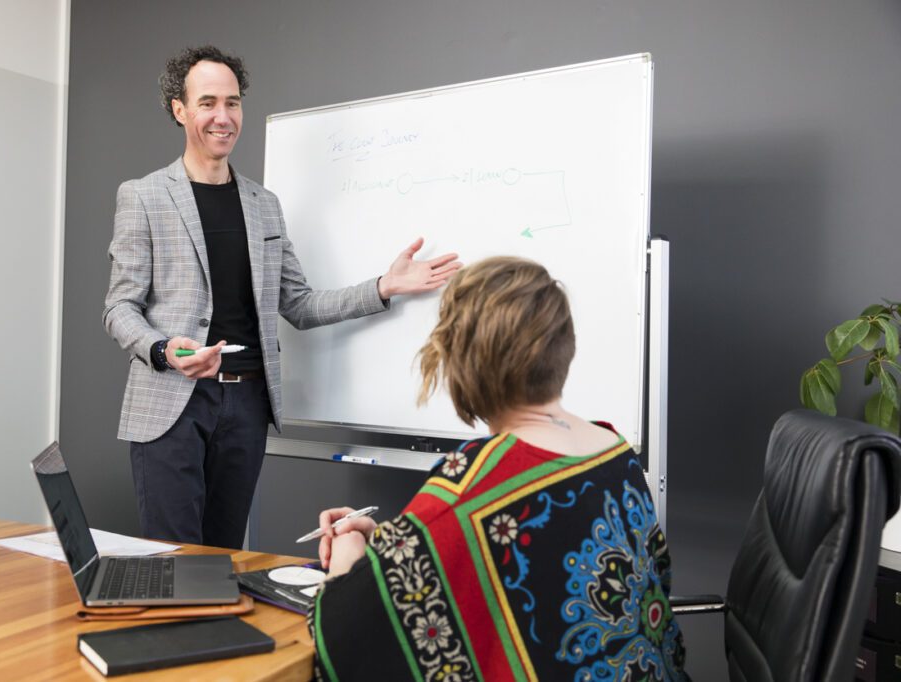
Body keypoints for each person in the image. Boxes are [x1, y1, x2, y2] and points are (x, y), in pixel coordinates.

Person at [103, 45, 460, 549]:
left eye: (233, 103)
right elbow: (119, 307)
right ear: (179, 110)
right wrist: (164, 350)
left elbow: (300, 304)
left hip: (246, 404)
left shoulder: (263, 205)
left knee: (224, 558)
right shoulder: (143, 195)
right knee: (176, 561)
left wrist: (385, 286)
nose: (223, 117)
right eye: (207, 103)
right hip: (170, 405)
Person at [310, 257, 687, 681]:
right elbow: (539, 560)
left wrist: (349, 553)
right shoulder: (613, 450)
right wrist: (395, 546)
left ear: (460, 363)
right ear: (564, 346)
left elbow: (344, 631)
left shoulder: (467, 488)